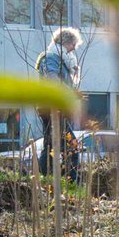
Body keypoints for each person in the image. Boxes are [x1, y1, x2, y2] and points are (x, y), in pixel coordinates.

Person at [35, 27, 82, 182]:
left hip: (55, 107)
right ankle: (72, 181)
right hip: (51, 108)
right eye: (73, 44)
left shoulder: (60, 59)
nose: (74, 48)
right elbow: (52, 80)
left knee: (50, 145)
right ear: (65, 43)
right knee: (72, 146)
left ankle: (44, 179)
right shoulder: (50, 58)